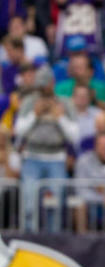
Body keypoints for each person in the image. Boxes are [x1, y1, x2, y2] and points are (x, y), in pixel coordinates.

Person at [13, 68, 78, 232]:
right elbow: (19, 131)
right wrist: (35, 114)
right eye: (39, 84)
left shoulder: (65, 102)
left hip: (56, 158)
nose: (42, 88)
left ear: (52, 83)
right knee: (28, 203)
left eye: (45, 84)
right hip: (32, 157)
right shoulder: (29, 101)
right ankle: (29, 236)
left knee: (54, 204)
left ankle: (53, 237)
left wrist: (60, 117)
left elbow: (75, 136)